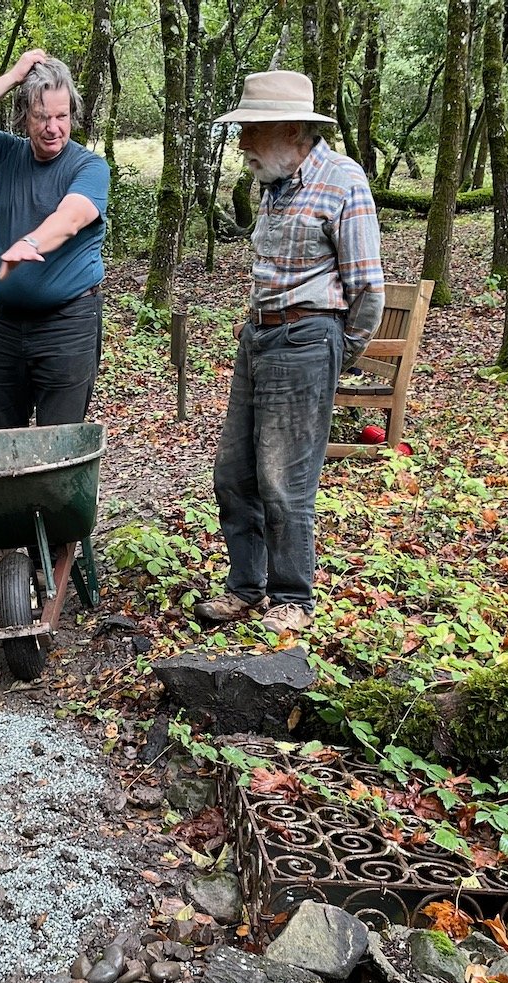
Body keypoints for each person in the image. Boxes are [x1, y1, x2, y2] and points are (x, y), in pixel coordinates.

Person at [193, 70, 384, 637]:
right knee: (233, 473)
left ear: (293, 129)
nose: (244, 143)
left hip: (307, 339)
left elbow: (367, 288)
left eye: (254, 130)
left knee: (284, 480)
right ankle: (246, 588)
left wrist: (332, 352)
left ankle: (292, 596)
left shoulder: (342, 180)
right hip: (259, 337)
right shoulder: (275, 183)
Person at [0, 50, 109, 431]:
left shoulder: (88, 167)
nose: (52, 127)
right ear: (24, 116)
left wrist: (31, 242)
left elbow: (71, 217)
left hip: (68, 324)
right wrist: (13, 76)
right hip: (6, 326)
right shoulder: (6, 153)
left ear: (72, 116)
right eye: (41, 116)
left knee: (58, 447)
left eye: (61, 116)